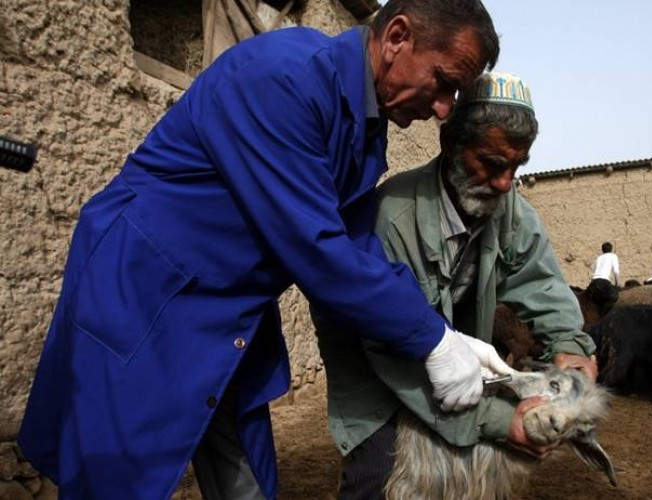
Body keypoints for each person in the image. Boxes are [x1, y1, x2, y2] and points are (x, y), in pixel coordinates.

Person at [17, 2, 502, 499]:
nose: (444, 108)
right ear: (397, 36)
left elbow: (357, 247)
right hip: (146, 289)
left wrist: (442, 333)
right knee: (113, 471)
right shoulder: (285, 79)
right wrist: (432, 342)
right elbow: (319, 250)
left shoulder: (365, 125)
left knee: (245, 479)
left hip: (228, 308)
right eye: (443, 82)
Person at [314, 72, 598, 499]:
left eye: (516, 168)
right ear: (450, 144)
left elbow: (540, 280)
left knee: (466, 476)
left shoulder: (509, 210)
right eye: (491, 163)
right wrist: (505, 423)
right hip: (380, 360)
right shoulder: (393, 218)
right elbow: (396, 349)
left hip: (455, 360)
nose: (504, 183)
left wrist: (570, 345)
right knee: (377, 473)